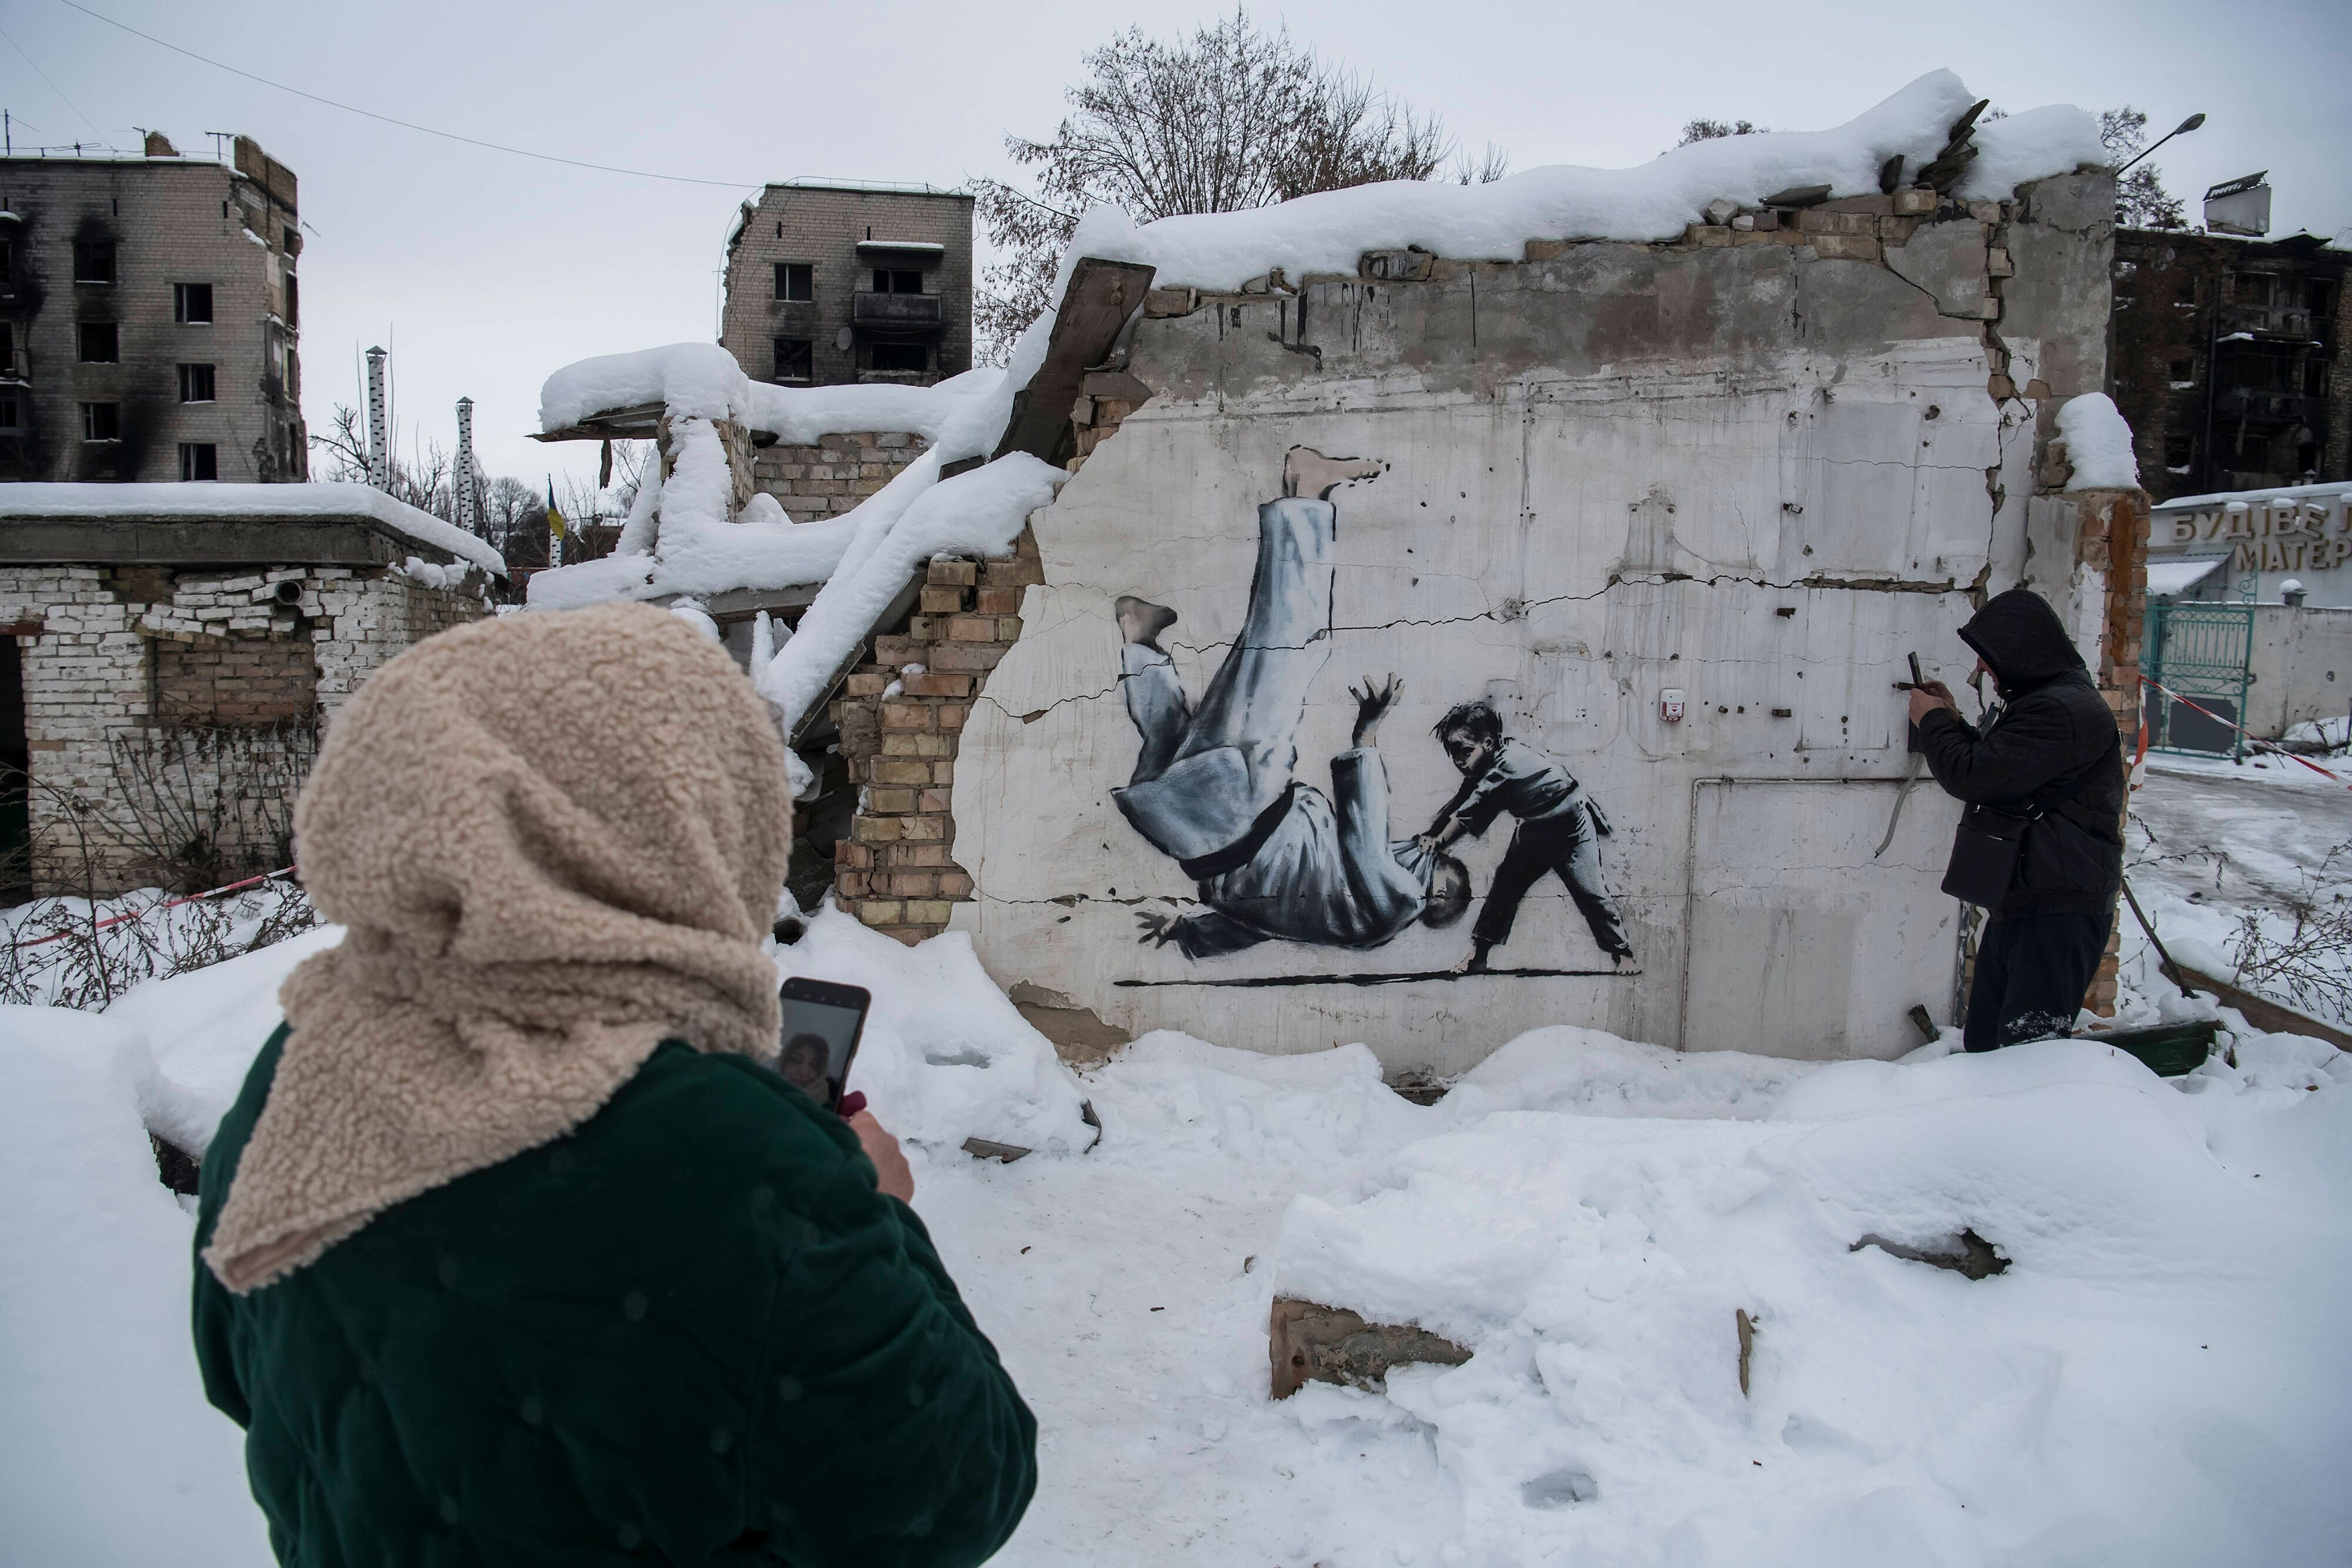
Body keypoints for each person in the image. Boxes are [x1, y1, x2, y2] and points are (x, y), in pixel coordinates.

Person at [191, 604, 1034, 1567]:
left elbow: (235, 1368)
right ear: (672, 819)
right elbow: (957, 1492)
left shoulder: (300, 1074)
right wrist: (878, 1209)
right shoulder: (736, 1158)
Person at [1115, 446, 1471, 959]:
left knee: (1293, 646)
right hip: (1184, 835)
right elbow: (1260, 924)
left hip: (1248, 810)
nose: (1425, 845)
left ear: (1437, 893)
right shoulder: (1342, 918)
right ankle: (1139, 639)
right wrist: (1185, 932)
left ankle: (1306, 494)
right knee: (1178, 741)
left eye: (1436, 857)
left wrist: (1365, 738)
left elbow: (1365, 842)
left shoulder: (1402, 900)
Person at [1909, 586, 2125, 1052]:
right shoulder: (2051, 702)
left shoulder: (2061, 710)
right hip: (2032, 904)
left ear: (2020, 651)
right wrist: (1950, 720)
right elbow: (2007, 767)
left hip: (2057, 914)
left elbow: (1976, 775)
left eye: (1988, 657)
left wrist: (1932, 724)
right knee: (1987, 1046)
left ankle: (2028, 1127)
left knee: (2029, 1056)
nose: (1982, 668)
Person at [1416, 701, 1636, 975]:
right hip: (1535, 827)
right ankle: (1479, 955)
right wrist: (1432, 832)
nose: (1459, 761)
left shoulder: (1502, 769)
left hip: (1571, 822)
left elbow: (1468, 813)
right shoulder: (1490, 762)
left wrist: (1439, 841)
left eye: (1465, 752)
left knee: (1591, 892)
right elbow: (1460, 802)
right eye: (1453, 753)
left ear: (1488, 743)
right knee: (1504, 889)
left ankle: (1623, 952)